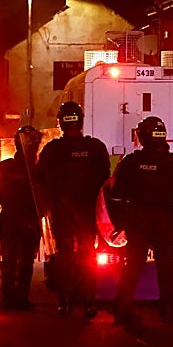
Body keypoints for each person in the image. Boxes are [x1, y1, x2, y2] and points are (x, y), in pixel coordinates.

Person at [107, 116, 173, 325]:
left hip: (138, 222)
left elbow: (115, 197)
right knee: (166, 268)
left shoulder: (130, 163)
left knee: (133, 266)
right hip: (164, 222)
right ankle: (167, 310)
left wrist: (120, 223)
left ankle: (123, 308)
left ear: (142, 137)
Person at [37, 103, 110, 317]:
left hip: (63, 213)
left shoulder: (53, 150)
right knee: (88, 256)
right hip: (88, 212)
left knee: (65, 256)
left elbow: (40, 179)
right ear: (80, 121)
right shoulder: (95, 148)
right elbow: (105, 177)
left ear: (60, 122)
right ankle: (89, 302)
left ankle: (65, 302)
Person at [0, 125, 45, 311]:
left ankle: (16, 297)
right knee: (13, 260)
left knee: (22, 261)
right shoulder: (15, 168)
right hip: (16, 219)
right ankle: (11, 296)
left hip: (23, 219)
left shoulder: (37, 170)